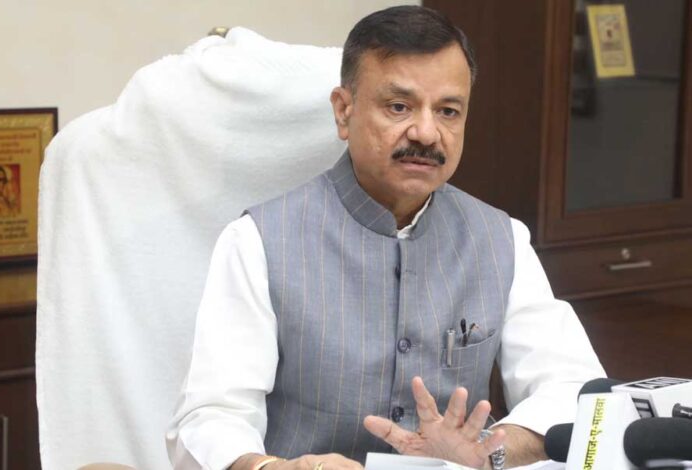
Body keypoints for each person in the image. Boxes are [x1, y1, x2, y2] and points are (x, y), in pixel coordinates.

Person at [168, 6, 604, 470]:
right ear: (344, 111)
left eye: (448, 111)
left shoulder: (502, 239)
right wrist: (272, 468)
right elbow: (211, 417)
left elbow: (575, 391)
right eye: (399, 106)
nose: (426, 133)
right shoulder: (259, 241)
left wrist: (487, 451)